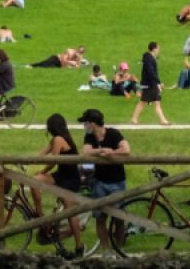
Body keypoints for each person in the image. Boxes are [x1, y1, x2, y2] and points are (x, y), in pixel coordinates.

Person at [32, 114, 85, 255]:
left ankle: (79, 246)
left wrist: (43, 170)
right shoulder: (56, 139)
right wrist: (24, 161)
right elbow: (40, 154)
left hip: (70, 179)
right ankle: (40, 214)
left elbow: (52, 161)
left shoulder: (59, 140)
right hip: (61, 175)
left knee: (70, 213)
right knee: (35, 181)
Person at [78, 109, 129, 251]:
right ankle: (106, 250)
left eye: (86, 123)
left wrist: (112, 152)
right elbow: (86, 151)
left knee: (119, 218)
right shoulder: (89, 137)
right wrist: (101, 151)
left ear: (92, 124)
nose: (84, 126)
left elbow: (126, 149)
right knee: (100, 218)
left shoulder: (114, 133)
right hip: (99, 182)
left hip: (117, 182)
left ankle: (119, 248)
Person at [130, 42, 170, 125]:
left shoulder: (150, 58)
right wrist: (159, 82)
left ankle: (163, 120)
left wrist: (157, 83)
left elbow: (152, 72)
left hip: (152, 84)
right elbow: (151, 72)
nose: (159, 50)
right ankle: (134, 119)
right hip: (149, 84)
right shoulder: (148, 58)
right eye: (158, 48)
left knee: (155, 102)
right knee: (144, 102)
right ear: (154, 48)